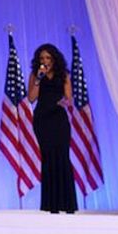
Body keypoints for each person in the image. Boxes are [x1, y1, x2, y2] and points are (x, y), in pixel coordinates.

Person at [27, 43, 78, 214]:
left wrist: (63, 102)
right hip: (42, 120)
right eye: (42, 58)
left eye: (48, 58)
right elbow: (32, 98)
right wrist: (38, 79)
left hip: (59, 119)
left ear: (54, 59)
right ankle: (51, 205)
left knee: (62, 157)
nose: (45, 61)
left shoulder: (63, 75)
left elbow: (69, 98)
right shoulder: (35, 75)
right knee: (48, 159)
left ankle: (67, 204)